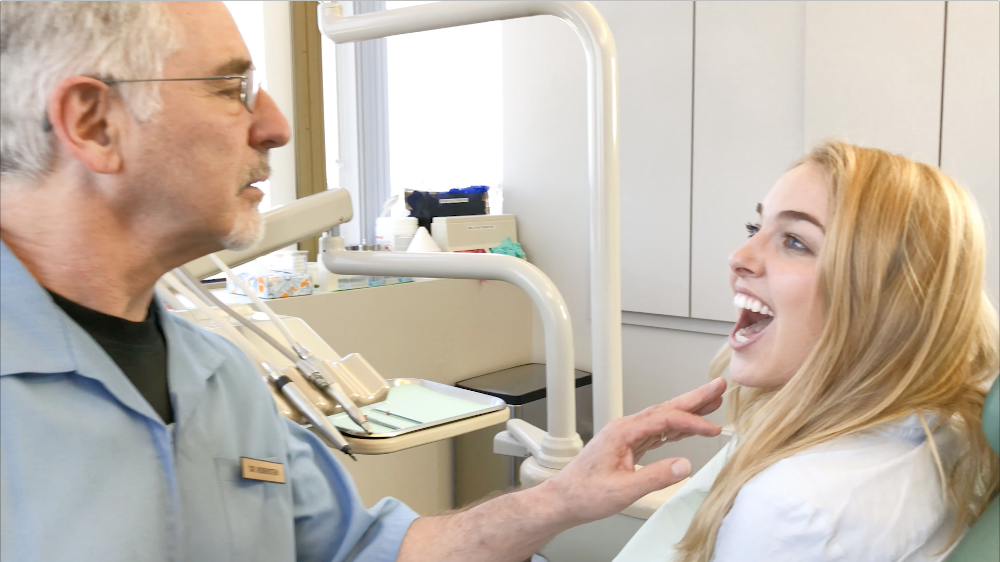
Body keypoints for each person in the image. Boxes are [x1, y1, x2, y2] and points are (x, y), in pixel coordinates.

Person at [0, 3, 726, 561]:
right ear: (94, 124)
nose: (276, 126)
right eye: (232, 87)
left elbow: (369, 549)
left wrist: (561, 499)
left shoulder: (217, 378)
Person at [615, 140, 1000, 561]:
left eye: (795, 242)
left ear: (886, 302)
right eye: (754, 229)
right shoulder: (951, 430)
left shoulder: (793, 507)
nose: (739, 257)